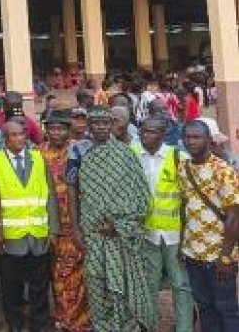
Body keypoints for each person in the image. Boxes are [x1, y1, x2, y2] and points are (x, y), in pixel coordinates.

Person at [70, 108, 153, 332]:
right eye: (95, 123)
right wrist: (76, 229)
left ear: (112, 124)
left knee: (125, 281)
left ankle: (128, 326)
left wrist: (118, 224)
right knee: (96, 278)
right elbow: (73, 189)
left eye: (105, 122)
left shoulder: (126, 154)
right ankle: (104, 327)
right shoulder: (79, 152)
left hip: (122, 235)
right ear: (89, 125)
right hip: (94, 232)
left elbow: (141, 195)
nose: (100, 127)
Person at [0, 120, 58, 332]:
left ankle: (39, 325)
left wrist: (53, 228)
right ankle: (16, 325)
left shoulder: (38, 159)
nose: (20, 138)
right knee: (12, 288)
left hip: (38, 234)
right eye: (14, 135)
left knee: (39, 287)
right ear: (5, 138)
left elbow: (50, 196)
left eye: (22, 134)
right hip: (11, 237)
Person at [131, 116, 194, 332]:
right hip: (147, 233)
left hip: (175, 235)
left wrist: (187, 236)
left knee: (181, 285)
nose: (144, 135)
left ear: (163, 134)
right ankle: (150, 326)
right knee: (148, 284)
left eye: (151, 131)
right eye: (143, 131)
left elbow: (189, 199)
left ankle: (184, 327)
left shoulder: (179, 158)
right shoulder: (133, 155)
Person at [178, 119, 239, 330]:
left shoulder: (223, 170)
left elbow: (234, 216)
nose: (191, 141)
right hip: (193, 252)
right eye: (187, 137)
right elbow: (185, 208)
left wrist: (225, 256)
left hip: (219, 255)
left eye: (196, 137)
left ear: (209, 140)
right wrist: (181, 246)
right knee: (205, 307)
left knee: (227, 309)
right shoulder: (183, 168)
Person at [39, 110, 91, 332]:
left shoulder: (80, 150)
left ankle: (79, 320)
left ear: (69, 131)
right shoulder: (38, 153)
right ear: (46, 131)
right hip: (51, 223)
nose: (56, 133)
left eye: (61, 129)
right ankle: (63, 317)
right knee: (58, 273)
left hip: (78, 221)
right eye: (52, 129)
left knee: (79, 273)